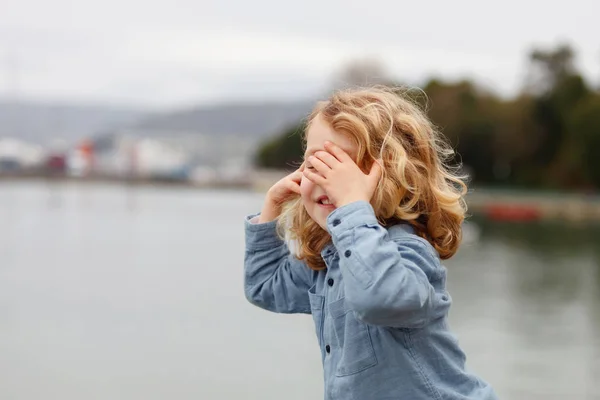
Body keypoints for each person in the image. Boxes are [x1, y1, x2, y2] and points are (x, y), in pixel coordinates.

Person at [243, 86, 498, 400]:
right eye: (315, 164)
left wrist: (351, 207)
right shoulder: (327, 259)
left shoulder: (408, 250)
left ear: (396, 176)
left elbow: (379, 298)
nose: (326, 179)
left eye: (344, 169)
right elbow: (265, 287)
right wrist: (271, 208)